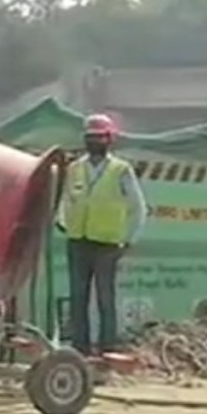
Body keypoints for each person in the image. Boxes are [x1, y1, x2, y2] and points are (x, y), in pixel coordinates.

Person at [57, 113, 148, 356]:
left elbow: (138, 208)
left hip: (107, 244)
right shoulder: (75, 168)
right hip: (78, 242)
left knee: (105, 298)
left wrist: (130, 239)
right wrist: (62, 222)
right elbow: (66, 199)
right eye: (90, 137)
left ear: (110, 140)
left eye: (99, 137)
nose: (94, 141)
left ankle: (108, 347)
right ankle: (80, 348)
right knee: (78, 298)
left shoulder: (121, 170)